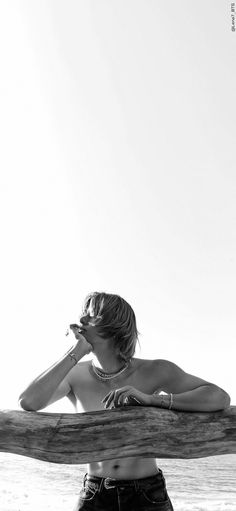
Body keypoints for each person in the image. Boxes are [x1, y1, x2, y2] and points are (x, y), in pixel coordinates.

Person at [19, 292, 231, 511]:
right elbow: (29, 401)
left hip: (147, 495)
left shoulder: (155, 370)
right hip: (95, 494)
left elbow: (218, 397)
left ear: (113, 324)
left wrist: (151, 400)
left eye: (90, 316)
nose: (81, 320)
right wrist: (76, 352)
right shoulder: (76, 374)